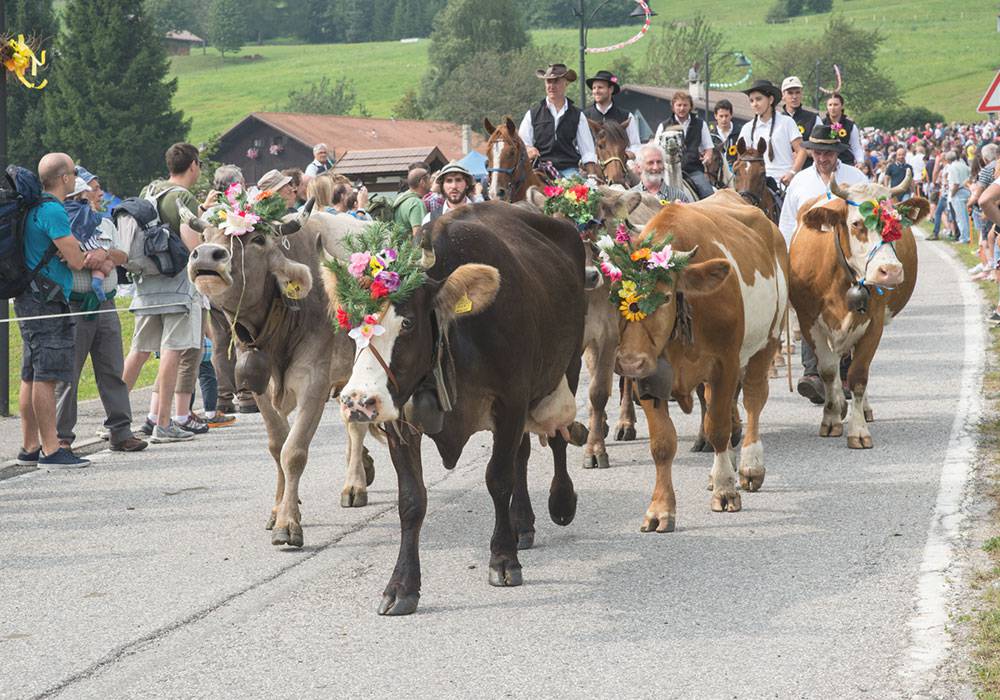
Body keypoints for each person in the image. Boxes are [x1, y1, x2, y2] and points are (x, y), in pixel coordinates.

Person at [15, 153, 103, 468]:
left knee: (31, 373)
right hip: (48, 298)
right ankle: (52, 449)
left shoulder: (31, 206)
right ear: (65, 178)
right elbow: (77, 260)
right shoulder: (53, 209)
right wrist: (87, 253)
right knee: (47, 375)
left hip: (30, 295)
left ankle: (29, 447)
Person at [54, 177, 147, 453]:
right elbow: (64, 257)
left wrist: (103, 253)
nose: (96, 195)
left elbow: (122, 255)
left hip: (105, 303)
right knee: (68, 373)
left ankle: (121, 431)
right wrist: (90, 257)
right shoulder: (63, 223)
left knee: (112, 370)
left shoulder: (104, 222)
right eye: (89, 191)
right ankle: (61, 438)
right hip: (75, 304)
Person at [121, 143, 205, 443]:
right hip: (177, 285)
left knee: (139, 351)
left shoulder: (150, 191)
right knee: (172, 350)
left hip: (146, 283)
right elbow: (192, 245)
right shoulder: (184, 198)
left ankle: (115, 420)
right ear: (193, 165)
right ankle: (164, 423)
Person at [777, 125, 867, 404]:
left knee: (848, 310)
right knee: (810, 311)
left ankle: (843, 372)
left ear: (837, 153)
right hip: (812, 262)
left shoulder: (856, 178)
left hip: (848, 262)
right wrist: (788, 257)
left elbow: (869, 217)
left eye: (827, 152)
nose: (821, 158)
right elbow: (788, 223)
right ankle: (812, 374)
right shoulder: (800, 182)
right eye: (817, 152)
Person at [517, 63, 600, 179]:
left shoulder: (577, 115)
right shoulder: (532, 114)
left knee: (581, 193)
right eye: (548, 82)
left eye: (556, 81)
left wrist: (592, 176)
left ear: (566, 83)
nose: (551, 86)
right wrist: (529, 149)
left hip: (570, 171)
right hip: (539, 169)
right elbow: (522, 143)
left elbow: (587, 151)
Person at [738, 79, 804, 188]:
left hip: (785, 182)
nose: (755, 104)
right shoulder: (747, 128)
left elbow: (801, 150)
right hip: (758, 184)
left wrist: (792, 173)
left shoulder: (786, 122)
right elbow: (742, 158)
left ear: (771, 100)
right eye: (751, 100)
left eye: (758, 99)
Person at [652, 91, 715, 199]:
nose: (682, 108)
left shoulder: (700, 124)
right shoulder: (663, 126)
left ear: (690, 106)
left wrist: (708, 156)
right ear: (673, 107)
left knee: (708, 193)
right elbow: (655, 150)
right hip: (668, 170)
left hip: (693, 170)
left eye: (685, 105)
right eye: (679, 105)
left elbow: (708, 147)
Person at [583, 69, 641, 157]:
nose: (596, 91)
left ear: (610, 89)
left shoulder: (626, 116)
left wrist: (623, 156)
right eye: (594, 88)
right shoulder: (584, 116)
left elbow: (635, 146)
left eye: (600, 87)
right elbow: (578, 145)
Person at [780, 76, 822, 168]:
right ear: (783, 95)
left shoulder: (813, 119)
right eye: (790, 93)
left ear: (801, 94)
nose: (794, 97)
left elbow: (822, 149)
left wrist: (803, 153)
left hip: (807, 170)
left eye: (797, 92)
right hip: (782, 171)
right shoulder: (777, 120)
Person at [823, 93, 865, 166]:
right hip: (825, 163)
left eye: (836, 105)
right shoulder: (821, 124)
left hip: (846, 163)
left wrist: (860, 161)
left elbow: (856, 147)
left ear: (842, 106)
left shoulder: (850, 126)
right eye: (830, 105)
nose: (832, 108)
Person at [946, 150, 972, 244]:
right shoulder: (963, 165)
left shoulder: (952, 167)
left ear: (948, 160)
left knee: (961, 217)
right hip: (966, 190)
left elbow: (956, 183)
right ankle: (967, 235)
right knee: (965, 216)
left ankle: (964, 237)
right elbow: (971, 175)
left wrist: (952, 194)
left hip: (957, 192)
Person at [394, 168, 429, 237]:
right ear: (422, 182)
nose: (431, 182)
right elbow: (418, 235)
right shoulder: (416, 203)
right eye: (429, 179)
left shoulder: (401, 198)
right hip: (409, 247)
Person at [710, 99, 740, 167]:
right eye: (721, 116)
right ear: (715, 116)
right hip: (717, 172)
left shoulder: (739, 133)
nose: (724, 119)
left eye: (726, 116)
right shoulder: (710, 136)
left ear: (731, 115)